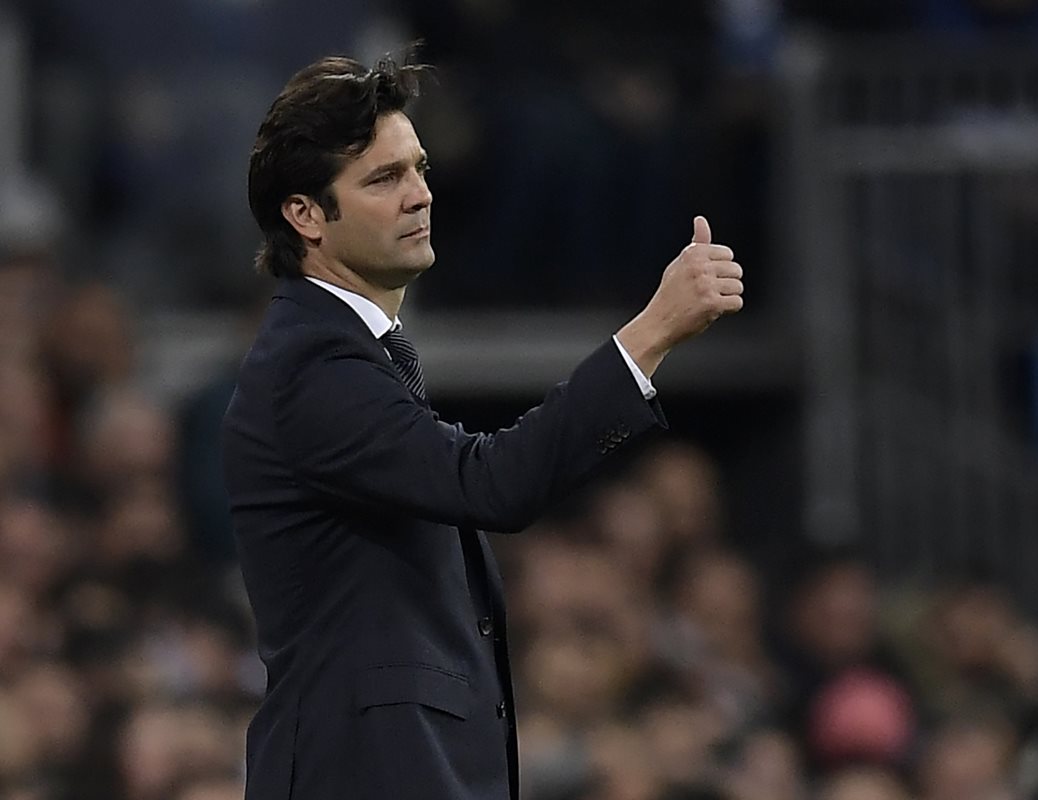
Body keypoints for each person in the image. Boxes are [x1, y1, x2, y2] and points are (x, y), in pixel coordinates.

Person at [221, 53, 745, 800]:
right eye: (383, 179)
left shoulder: (348, 354)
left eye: (419, 168)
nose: (420, 196)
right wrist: (651, 332)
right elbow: (492, 484)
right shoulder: (313, 366)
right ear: (304, 214)